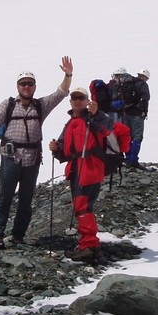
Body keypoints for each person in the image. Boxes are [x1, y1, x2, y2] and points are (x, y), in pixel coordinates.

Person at [0, 57, 74, 249]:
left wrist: (68, 75)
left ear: (34, 86)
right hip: (10, 157)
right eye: (23, 84)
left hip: (32, 158)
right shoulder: (8, 105)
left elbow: (61, 93)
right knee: (5, 195)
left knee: (26, 198)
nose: (27, 87)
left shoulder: (40, 106)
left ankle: (18, 235)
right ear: (18, 86)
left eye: (30, 84)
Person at [49, 86, 112, 263]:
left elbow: (109, 128)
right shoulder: (70, 123)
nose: (77, 100)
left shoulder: (94, 119)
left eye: (81, 98)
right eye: (74, 98)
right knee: (82, 206)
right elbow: (64, 150)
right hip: (78, 169)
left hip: (90, 168)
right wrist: (56, 149)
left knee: (83, 206)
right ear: (70, 101)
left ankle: (89, 245)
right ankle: (89, 244)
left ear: (87, 101)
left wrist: (97, 113)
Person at [123, 68, 150, 166]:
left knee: (128, 136)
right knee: (137, 136)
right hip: (137, 114)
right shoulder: (143, 85)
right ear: (144, 77)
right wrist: (144, 111)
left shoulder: (129, 83)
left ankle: (127, 157)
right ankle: (132, 159)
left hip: (126, 112)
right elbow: (145, 98)